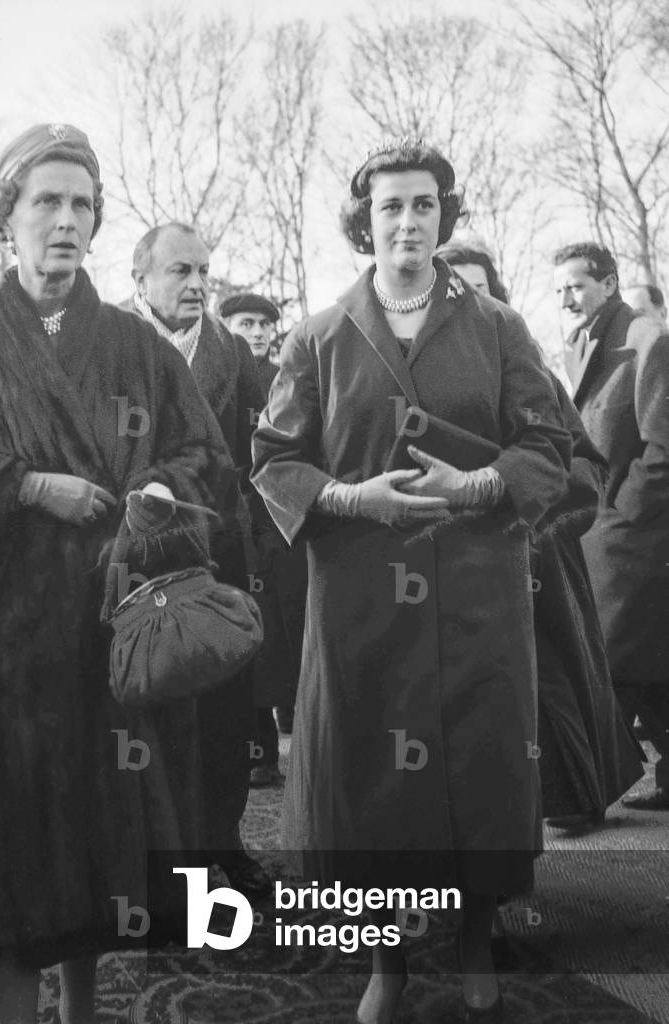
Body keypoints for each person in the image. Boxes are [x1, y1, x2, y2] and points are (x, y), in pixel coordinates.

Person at [0, 124, 231, 1024]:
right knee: (6, 859)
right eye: (46, 202)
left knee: (96, 855)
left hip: (101, 638)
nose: (65, 220)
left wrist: (159, 494)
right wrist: (25, 487)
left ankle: (82, 1010)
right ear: (8, 217)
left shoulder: (139, 348)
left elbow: (206, 461)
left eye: (81, 204)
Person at [252, 137, 571, 1023]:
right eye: (389, 206)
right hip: (360, 597)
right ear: (366, 221)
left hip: (474, 588)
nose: (406, 221)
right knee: (371, 779)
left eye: (423, 204)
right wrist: (350, 499)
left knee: (475, 763)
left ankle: (473, 940)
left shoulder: (498, 328)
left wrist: (478, 486)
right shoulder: (319, 336)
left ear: (443, 215)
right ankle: (385, 961)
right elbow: (273, 460)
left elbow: (548, 444)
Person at [440, 242, 644, 831]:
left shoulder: (526, 368)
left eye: (478, 289)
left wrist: (535, 521)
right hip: (444, 562)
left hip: (531, 551)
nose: (464, 301)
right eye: (451, 289)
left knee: (547, 676)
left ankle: (570, 795)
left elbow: (583, 462)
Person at [125, 223, 272, 894]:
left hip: (219, 555)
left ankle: (223, 839)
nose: (197, 284)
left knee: (225, 706)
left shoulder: (231, 351)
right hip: (134, 558)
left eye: (204, 271)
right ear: (140, 279)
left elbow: (268, 440)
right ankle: (157, 857)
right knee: (146, 709)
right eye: (180, 270)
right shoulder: (109, 345)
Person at [554, 242, 669, 812]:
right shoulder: (578, 345)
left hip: (632, 536)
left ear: (609, 283)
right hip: (596, 531)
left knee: (615, 661)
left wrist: (622, 514)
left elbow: (663, 446)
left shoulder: (648, 338)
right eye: (559, 290)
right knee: (639, 665)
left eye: (576, 285)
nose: (566, 299)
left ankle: (583, 793)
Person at [221, 292, 307, 779]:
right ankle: (261, 754)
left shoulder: (286, 379)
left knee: (291, 625)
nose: (257, 332)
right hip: (232, 519)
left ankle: (305, 737)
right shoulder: (216, 377)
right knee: (245, 631)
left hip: (281, 520)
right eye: (246, 323)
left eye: (263, 324)